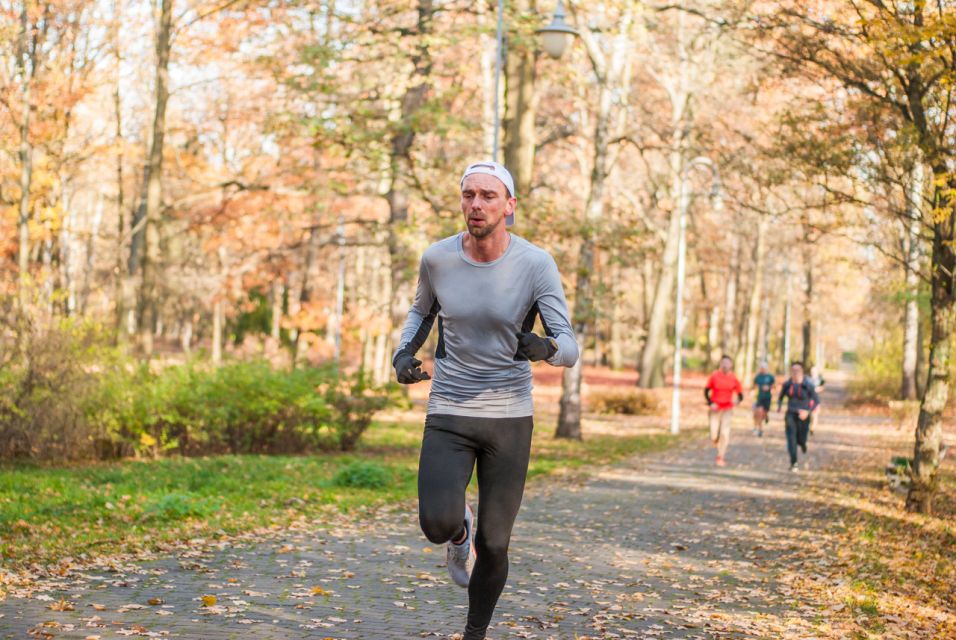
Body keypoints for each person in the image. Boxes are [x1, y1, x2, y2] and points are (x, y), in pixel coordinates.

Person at [392, 161, 579, 640]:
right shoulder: (438, 258)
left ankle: (474, 633)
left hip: (509, 416)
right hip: (451, 407)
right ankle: (458, 533)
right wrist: (402, 353)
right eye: (469, 195)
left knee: (496, 544)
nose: (477, 204)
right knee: (436, 522)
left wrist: (547, 349)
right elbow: (421, 311)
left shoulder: (535, 264)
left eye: (488, 196)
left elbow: (569, 344)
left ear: (509, 206)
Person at [777, 361, 821, 472]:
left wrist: (808, 411)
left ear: (802, 372)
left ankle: (803, 443)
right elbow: (781, 396)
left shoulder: (808, 385)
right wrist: (779, 406)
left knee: (801, 439)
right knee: (791, 439)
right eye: (793, 370)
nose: (795, 372)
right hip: (791, 413)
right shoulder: (787, 384)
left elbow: (816, 401)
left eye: (798, 370)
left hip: (804, 415)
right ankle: (794, 463)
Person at [704, 355, 744, 467]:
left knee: (725, 433)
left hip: (727, 408)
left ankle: (720, 456)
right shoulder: (714, 376)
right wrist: (711, 403)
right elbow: (706, 391)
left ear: (731, 365)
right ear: (720, 364)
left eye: (727, 363)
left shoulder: (734, 378)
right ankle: (715, 440)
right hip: (715, 408)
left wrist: (737, 401)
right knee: (713, 434)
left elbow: (740, 394)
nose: (725, 365)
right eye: (723, 363)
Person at [752, 361, 775, 437]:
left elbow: (774, 385)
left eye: (764, 368)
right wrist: (756, 388)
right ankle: (760, 429)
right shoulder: (758, 377)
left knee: (764, 412)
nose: (762, 369)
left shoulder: (770, 377)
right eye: (761, 368)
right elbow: (754, 385)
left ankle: (766, 416)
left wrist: (769, 388)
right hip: (760, 397)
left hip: (768, 398)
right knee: (759, 413)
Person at [808, 365, 825, 434]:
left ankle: (812, 428)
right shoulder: (808, 379)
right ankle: (809, 426)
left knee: (815, 415)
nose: (813, 372)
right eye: (812, 371)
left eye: (814, 371)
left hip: (816, 399)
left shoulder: (820, 379)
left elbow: (822, 387)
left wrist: (818, 389)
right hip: (808, 400)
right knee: (810, 415)